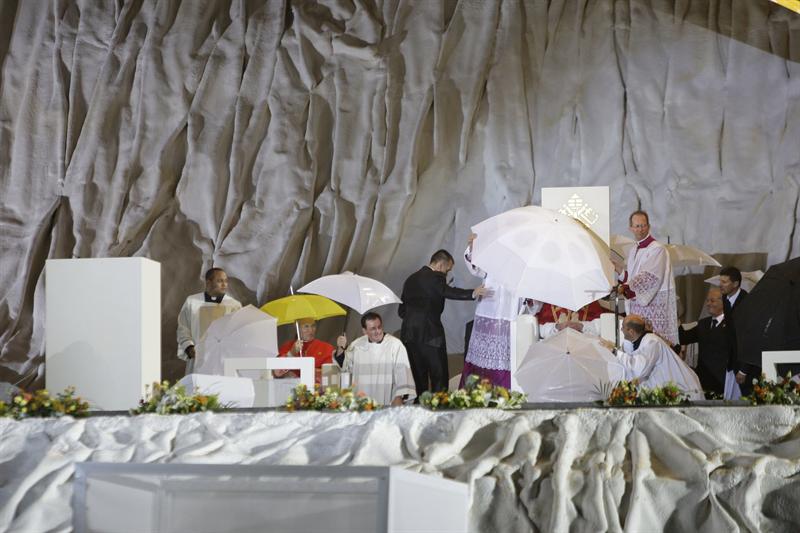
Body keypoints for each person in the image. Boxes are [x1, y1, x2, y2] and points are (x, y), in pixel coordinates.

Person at [399, 249, 488, 396]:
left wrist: (414, 319)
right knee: (439, 376)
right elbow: (447, 291)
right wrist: (473, 293)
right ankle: (440, 406)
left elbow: (401, 310)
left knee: (418, 377)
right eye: (448, 270)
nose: (447, 274)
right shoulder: (435, 277)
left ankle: (420, 406)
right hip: (431, 335)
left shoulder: (410, 279)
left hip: (409, 335)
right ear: (440, 265)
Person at [460, 234, 523, 388]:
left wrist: (530, 302)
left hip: (509, 316)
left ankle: (504, 392)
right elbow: (476, 269)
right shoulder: (494, 257)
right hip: (488, 311)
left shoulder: (523, 266)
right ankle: (477, 392)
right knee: (481, 358)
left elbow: (532, 302)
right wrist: (473, 248)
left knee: (504, 359)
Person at [613, 210, 679, 346]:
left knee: (654, 346)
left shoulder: (657, 249)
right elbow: (632, 278)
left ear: (648, 226)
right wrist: (619, 270)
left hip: (652, 308)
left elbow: (650, 278)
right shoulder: (633, 250)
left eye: (643, 225)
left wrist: (625, 288)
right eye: (637, 226)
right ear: (631, 228)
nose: (640, 229)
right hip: (637, 310)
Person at [334, 312, 417, 406]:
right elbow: (344, 367)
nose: (378, 331)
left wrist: (399, 397)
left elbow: (403, 375)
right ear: (364, 331)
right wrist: (341, 348)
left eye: (379, 327)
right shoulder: (357, 345)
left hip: (387, 403)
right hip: (362, 402)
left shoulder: (395, 345)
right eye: (373, 329)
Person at [616, 315, 703, 400]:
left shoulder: (652, 342)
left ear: (631, 331)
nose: (621, 329)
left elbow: (640, 369)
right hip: (669, 392)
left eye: (623, 327)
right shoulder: (639, 342)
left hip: (684, 390)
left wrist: (615, 352)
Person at [177, 267, 242, 375]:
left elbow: (237, 332)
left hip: (223, 360)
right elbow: (183, 328)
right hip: (198, 357)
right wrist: (189, 347)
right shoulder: (192, 302)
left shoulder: (234, 305)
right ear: (208, 282)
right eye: (220, 281)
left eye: (226, 281)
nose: (224, 285)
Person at [678, 288, 732, 396]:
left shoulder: (732, 324)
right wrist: (675, 318)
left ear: (724, 302)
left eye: (712, 300)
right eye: (707, 300)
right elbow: (683, 337)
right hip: (703, 379)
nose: (708, 304)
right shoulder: (703, 323)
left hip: (723, 380)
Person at [273, 318, 337, 384]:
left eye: (313, 326)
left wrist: (309, 371)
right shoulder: (287, 347)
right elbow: (277, 373)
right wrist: (291, 353)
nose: (311, 330)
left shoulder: (326, 348)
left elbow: (331, 375)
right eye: (306, 326)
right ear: (297, 327)